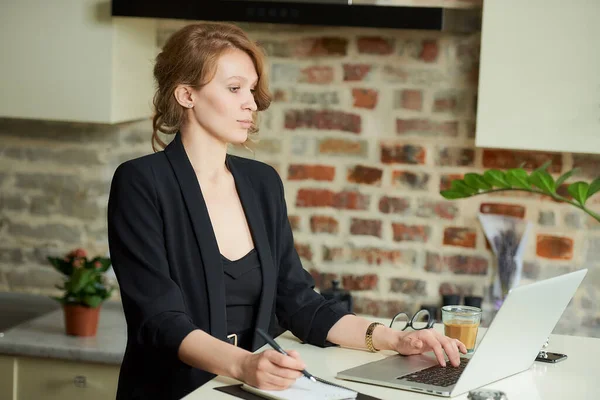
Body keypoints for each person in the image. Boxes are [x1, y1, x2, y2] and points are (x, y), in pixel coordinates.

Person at [107, 22, 467, 400]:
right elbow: (159, 320)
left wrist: (396, 339)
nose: (251, 102)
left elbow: (299, 302)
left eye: (251, 88)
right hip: (177, 392)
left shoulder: (261, 183)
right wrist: (245, 365)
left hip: (253, 389)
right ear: (186, 95)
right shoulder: (140, 182)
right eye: (234, 88)